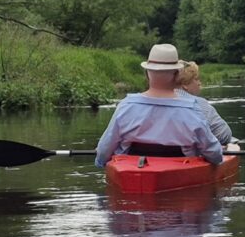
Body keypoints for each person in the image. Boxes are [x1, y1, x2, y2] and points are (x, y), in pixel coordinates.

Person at [95, 43, 229, 166]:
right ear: (177, 75)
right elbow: (215, 155)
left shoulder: (125, 106)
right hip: (180, 172)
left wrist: (101, 162)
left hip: (131, 171)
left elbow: (103, 152)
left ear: (147, 74)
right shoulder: (192, 109)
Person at [176, 60, 239, 151]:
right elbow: (224, 135)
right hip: (193, 155)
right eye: (196, 79)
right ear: (184, 84)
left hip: (160, 157)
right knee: (231, 142)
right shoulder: (199, 103)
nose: (199, 83)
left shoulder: (159, 101)